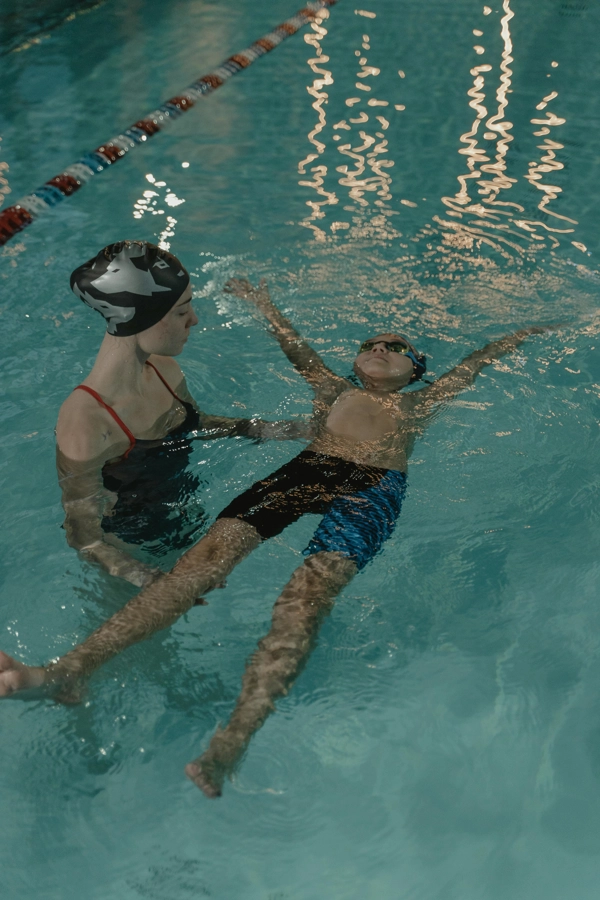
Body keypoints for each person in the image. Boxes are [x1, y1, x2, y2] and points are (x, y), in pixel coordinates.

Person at [0, 276, 549, 798]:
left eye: (396, 347)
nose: (380, 347)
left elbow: (474, 366)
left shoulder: (417, 404)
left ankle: (230, 743)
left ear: (416, 372)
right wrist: (264, 306)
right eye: (371, 342)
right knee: (196, 568)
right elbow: (297, 349)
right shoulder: (331, 388)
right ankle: (67, 670)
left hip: (371, 490)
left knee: (303, 603)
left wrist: (522, 334)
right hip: (304, 471)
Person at [56, 243, 307, 589]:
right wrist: (150, 580)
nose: (194, 320)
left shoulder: (163, 368)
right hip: (131, 557)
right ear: (138, 318)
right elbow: (84, 537)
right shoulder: (86, 421)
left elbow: (196, 423)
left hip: (187, 519)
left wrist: (265, 429)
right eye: (180, 312)